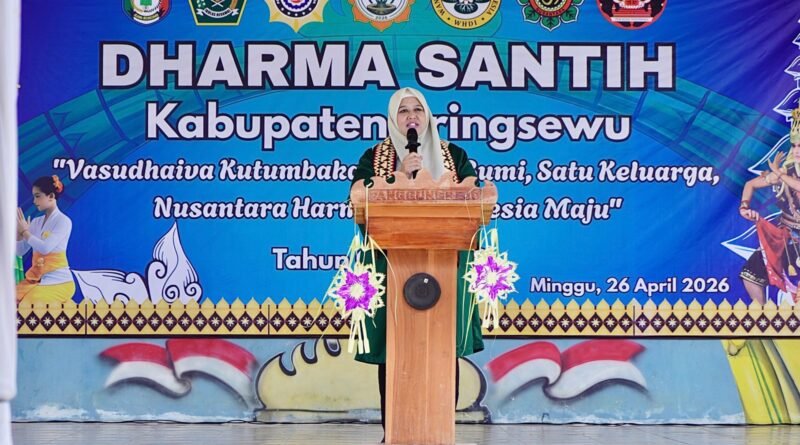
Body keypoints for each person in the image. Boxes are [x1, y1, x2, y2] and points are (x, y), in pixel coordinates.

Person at [350, 87, 484, 440]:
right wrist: (399, 175)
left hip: (447, 265)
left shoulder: (454, 155)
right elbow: (359, 199)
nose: (411, 116)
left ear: (428, 116)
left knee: (443, 347)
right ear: (393, 119)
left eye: (418, 109)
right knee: (394, 349)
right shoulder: (374, 157)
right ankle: (394, 431)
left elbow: (474, 200)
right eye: (403, 110)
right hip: (390, 267)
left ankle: (440, 430)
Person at [739, 109, 800, 305]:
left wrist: (780, 175)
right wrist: (744, 207)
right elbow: (750, 185)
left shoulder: (783, 174)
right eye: (794, 146)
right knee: (751, 274)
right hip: (787, 237)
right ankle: (764, 317)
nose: (797, 150)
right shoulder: (785, 171)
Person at [15, 175, 75, 304]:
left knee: (28, 306)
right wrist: (19, 234)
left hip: (59, 281)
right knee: (11, 300)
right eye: (34, 196)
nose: (34, 201)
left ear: (51, 196)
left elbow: (45, 248)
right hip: (37, 280)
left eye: (37, 196)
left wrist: (25, 232)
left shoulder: (63, 221)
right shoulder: (36, 222)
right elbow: (20, 251)